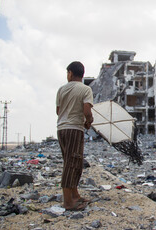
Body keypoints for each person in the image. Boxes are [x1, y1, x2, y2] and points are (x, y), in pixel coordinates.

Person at [56, 61, 94, 211]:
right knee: (72, 164)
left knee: (72, 162)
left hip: (62, 129)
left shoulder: (61, 90)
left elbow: (58, 111)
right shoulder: (85, 90)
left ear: (71, 73)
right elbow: (87, 112)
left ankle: (75, 195)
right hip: (75, 129)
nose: (67, 75)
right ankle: (68, 202)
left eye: (67, 73)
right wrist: (89, 122)